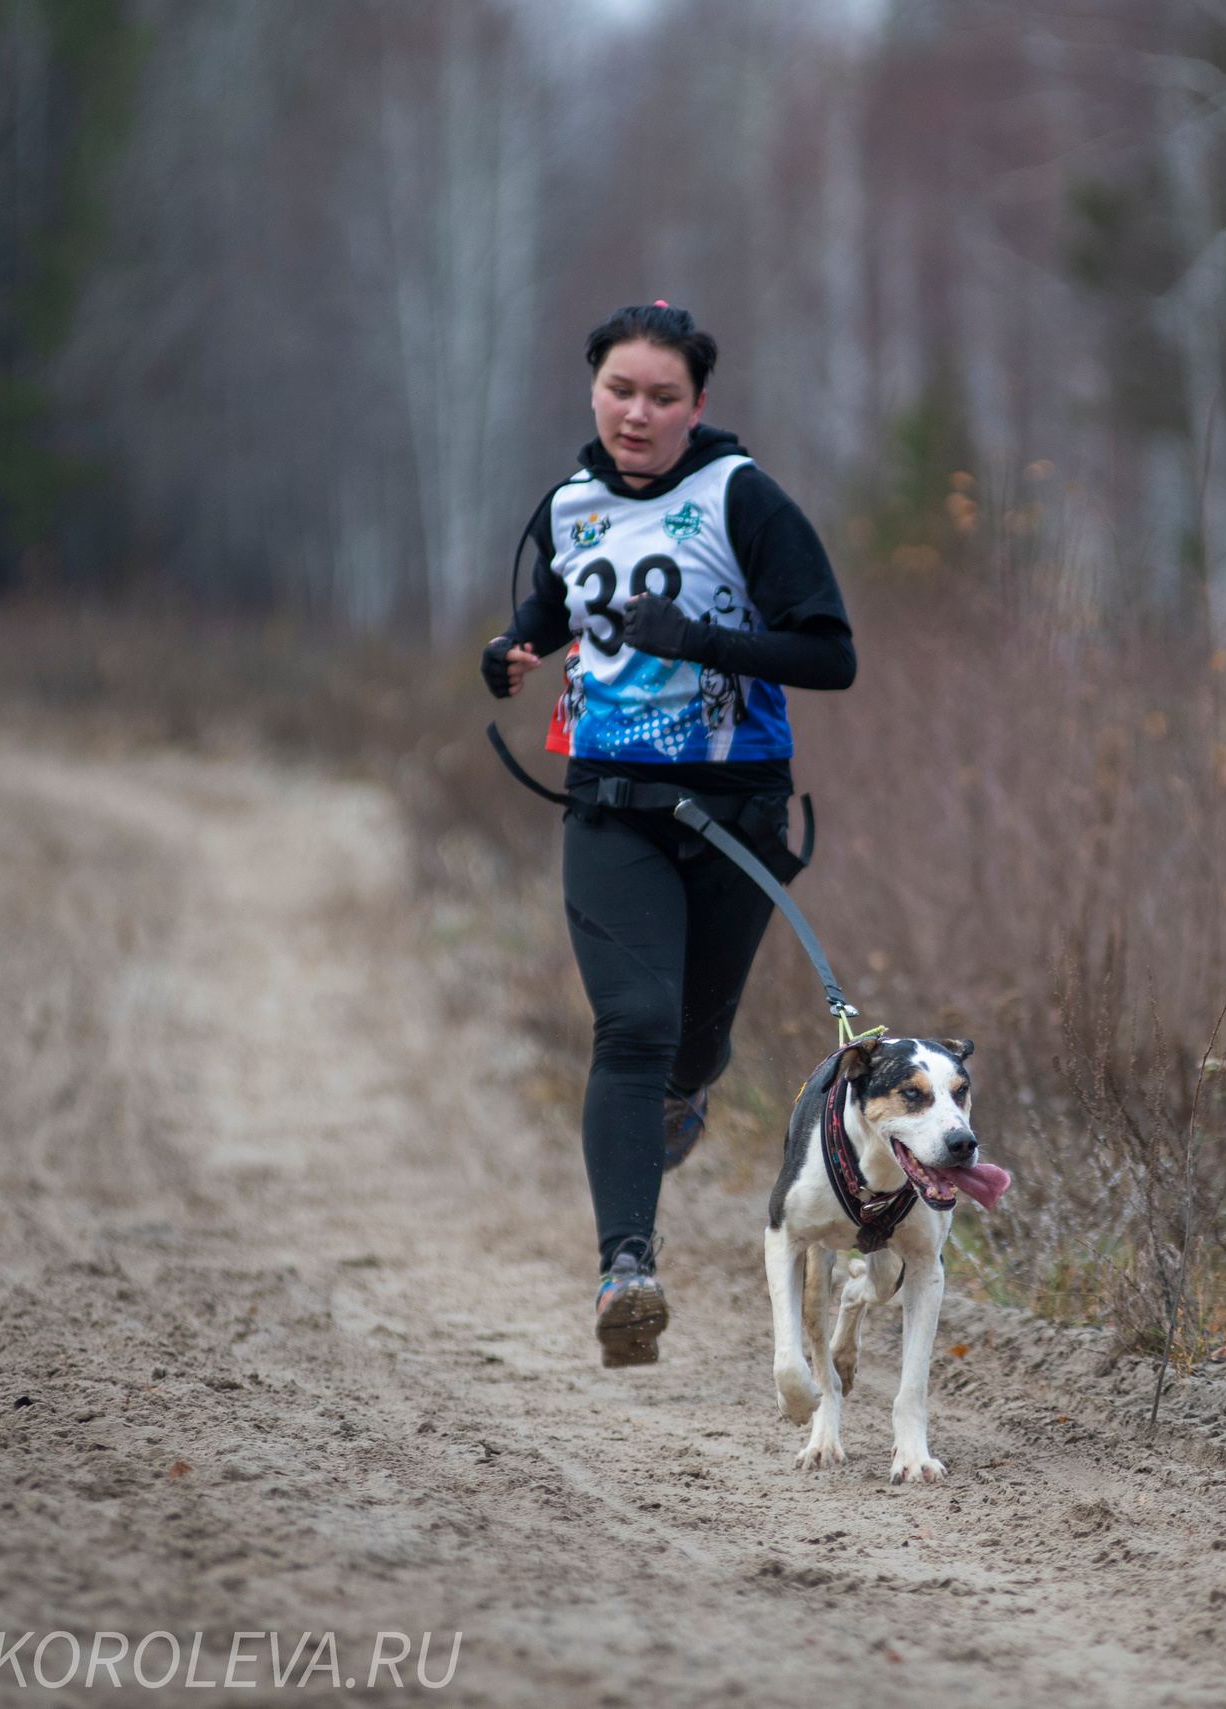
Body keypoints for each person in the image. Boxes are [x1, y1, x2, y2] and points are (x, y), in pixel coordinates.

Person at [482, 304, 855, 1368]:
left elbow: (830, 655)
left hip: (735, 810)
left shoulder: (741, 499)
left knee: (689, 1043)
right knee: (632, 1024)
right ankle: (625, 1271)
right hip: (610, 805)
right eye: (618, 390)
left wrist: (699, 639)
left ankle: (693, 1089)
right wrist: (513, 648)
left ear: (698, 405)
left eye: (661, 396)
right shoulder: (567, 504)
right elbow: (554, 611)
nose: (636, 413)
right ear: (591, 387)